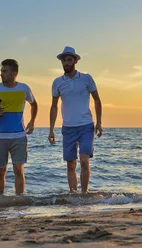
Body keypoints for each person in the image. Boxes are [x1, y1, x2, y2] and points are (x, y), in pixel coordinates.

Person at [49, 46, 103, 193]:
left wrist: (99, 122)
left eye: (69, 60)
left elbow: (97, 100)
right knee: (71, 164)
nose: (66, 63)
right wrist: (51, 129)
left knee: (84, 161)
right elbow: (54, 106)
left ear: (75, 61)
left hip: (86, 125)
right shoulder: (57, 82)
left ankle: (84, 194)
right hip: (68, 127)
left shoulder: (86, 78)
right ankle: (74, 195)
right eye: (63, 60)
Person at [0, 59, 38, 195]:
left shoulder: (24, 88)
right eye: (1, 71)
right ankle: (0, 202)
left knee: (19, 170)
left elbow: (34, 104)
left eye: (5, 71)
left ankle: (19, 201)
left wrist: (32, 122)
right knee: (1, 171)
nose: (1, 74)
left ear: (14, 73)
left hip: (19, 136)